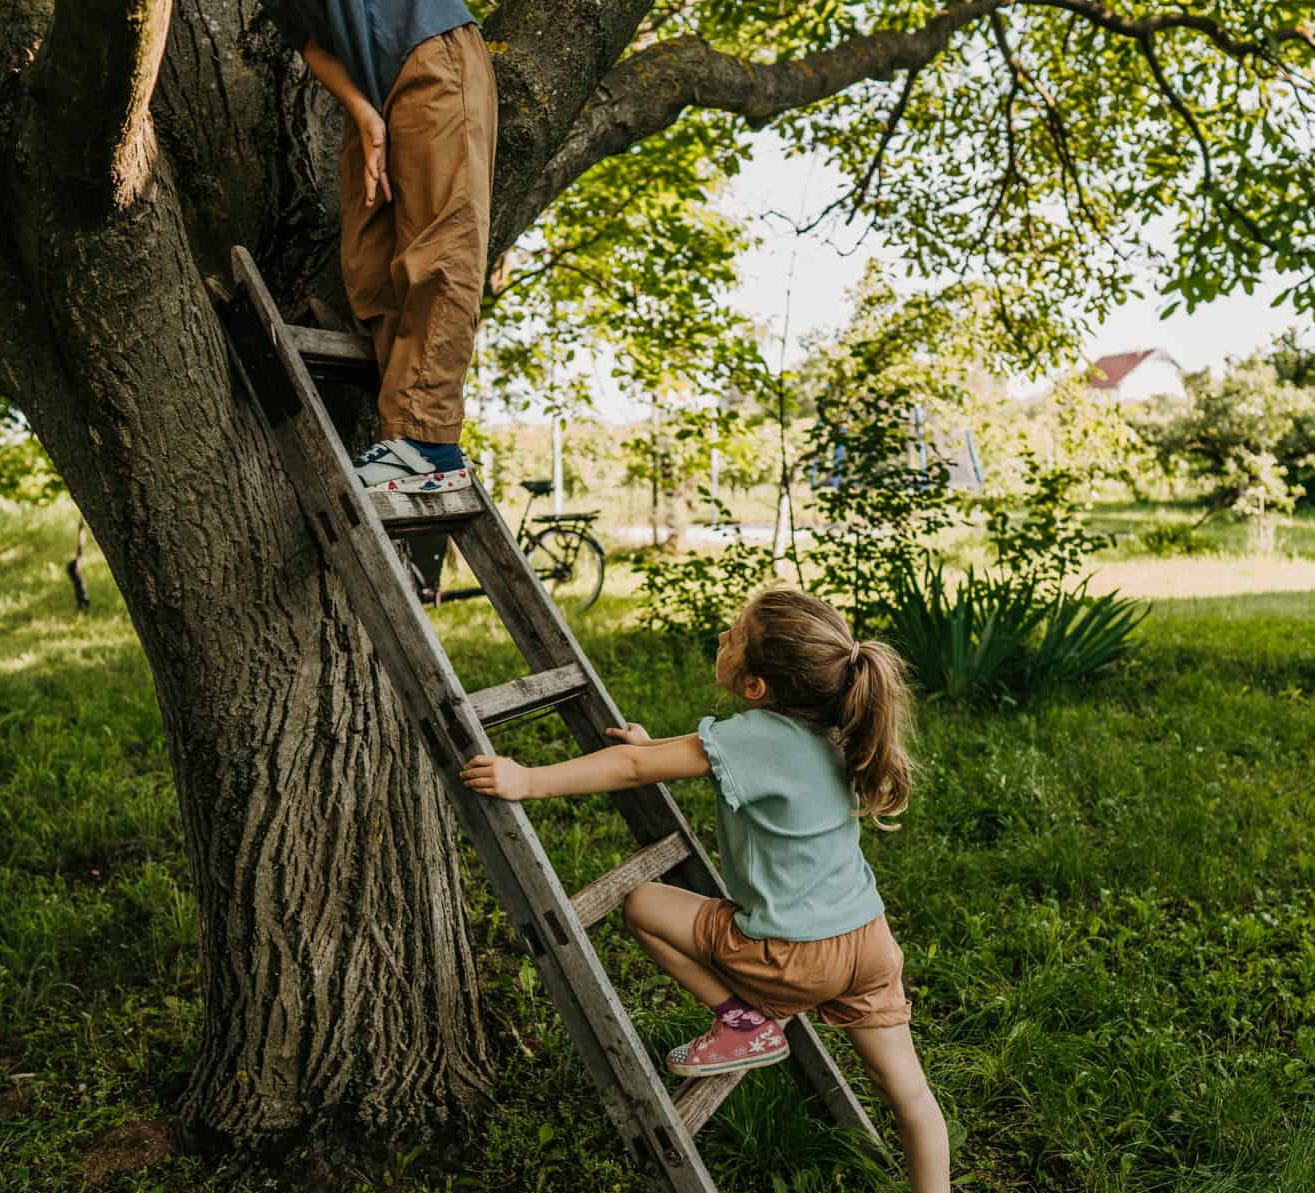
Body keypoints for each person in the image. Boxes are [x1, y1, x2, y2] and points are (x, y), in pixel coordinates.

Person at [461, 588, 952, 1192]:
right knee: (911, 1095)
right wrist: (654, 747)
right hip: (870, 944)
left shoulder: (755, 736)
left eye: (734, 636)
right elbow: (669, 759)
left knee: (643, 903)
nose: (723, 637)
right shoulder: (841, 729)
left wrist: (529, 779)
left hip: (792, 956)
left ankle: (743, 1022)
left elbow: (637, 770)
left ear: (755, 687)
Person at [262, 0, 494, 493]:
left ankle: (427, 440)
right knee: (369, 267)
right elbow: (311, 44)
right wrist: (365, 114)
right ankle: (407, 437)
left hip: (433, 56)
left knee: (441, 254)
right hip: (371, 92)